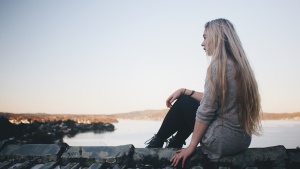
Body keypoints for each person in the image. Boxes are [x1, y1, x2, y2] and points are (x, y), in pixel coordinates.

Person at [144, 18, 262, 168]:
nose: (202, 43)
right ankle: (174, 143)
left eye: (205, 37)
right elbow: (212, 99)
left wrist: (192, 146)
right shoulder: (240, 66)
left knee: (184, 103)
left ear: (217, 38)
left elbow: (206, 110)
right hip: (241, 140)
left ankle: (159, 143)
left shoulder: (219, 66)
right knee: (187, 98)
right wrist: (185, 90)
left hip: (221, 141)